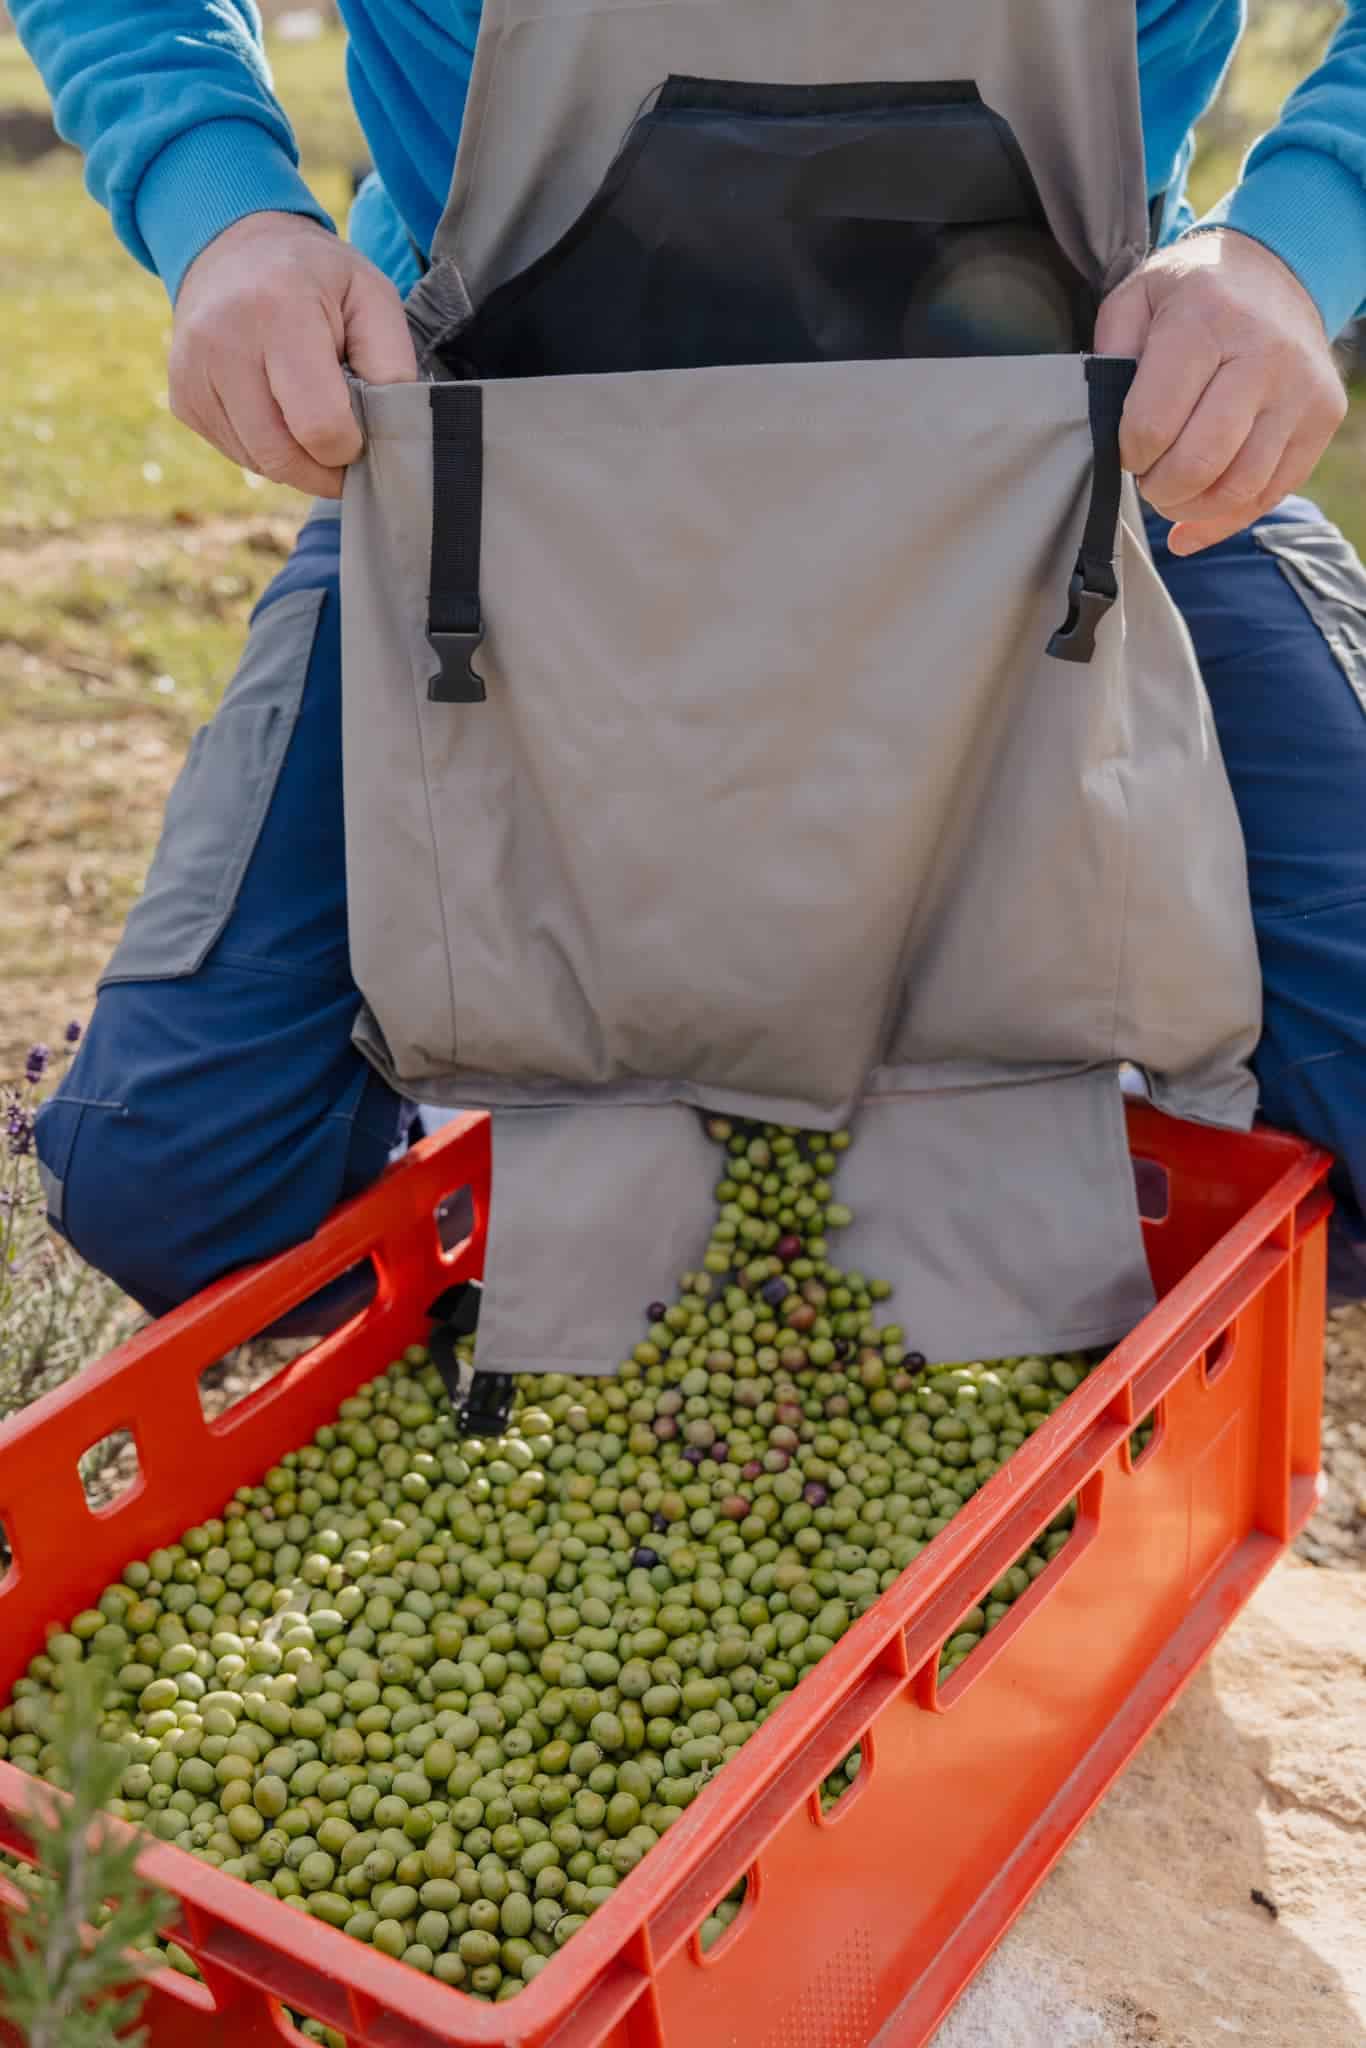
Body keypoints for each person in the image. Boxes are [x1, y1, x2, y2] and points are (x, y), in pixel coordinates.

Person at [13, 0, 1366, 1317]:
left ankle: (1007, 1083)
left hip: (1074, 459)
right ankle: (592, 1115)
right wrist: (227, 211)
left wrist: (1298, 242)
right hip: (498, 479)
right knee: (182, 1180)